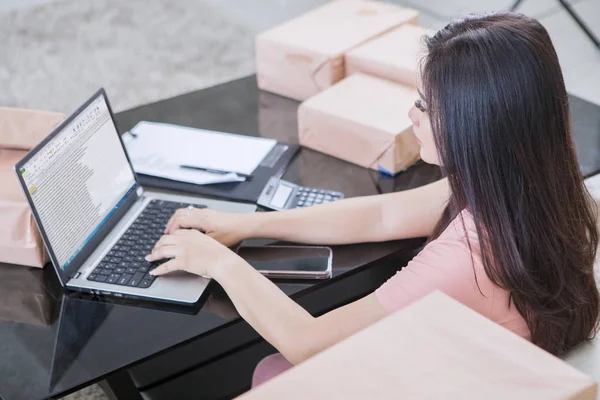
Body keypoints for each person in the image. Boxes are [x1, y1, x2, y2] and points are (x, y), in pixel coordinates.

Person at [146, 11, 599, 387]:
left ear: (473, 127)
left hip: (451, 378)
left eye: (425, 106)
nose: (411, 115)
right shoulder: (532, 188)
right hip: (487, 357)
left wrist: (218, 262)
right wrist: (248, 225)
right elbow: (383, 214)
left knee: (273, 371)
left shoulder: (466, 259)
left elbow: (308, 341)